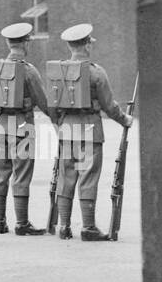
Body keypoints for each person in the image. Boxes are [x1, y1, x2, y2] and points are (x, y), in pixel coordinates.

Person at [49, 23, 133, 242]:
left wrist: (60, 124)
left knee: (66, 177)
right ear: (86, 46)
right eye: (90, 43)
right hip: (89, 131)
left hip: (66, 131)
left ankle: (64, 227)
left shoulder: (59, 71)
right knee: (87, 177)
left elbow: (52, 105)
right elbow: (109, 105)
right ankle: (88, 228)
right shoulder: (96, 72)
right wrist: (125, 119)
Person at [0, 22, 49, 235]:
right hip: (22, 128)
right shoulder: (29, 71)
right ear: (26, 43)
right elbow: (44, 103)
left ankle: (0, 222)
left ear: (9, 44)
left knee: (0, 174)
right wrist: (59, 121)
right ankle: (22, 224)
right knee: (22, 175)